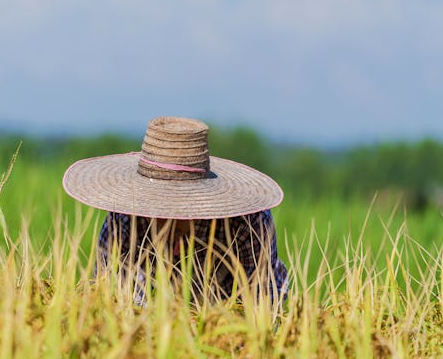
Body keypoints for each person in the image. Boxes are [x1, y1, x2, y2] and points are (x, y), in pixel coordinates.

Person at [62, 116, 288, 306]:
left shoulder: (248, 223)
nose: (165, 222)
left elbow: (261, 308)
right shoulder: (125, 218)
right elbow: (108, 299)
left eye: (176, 212)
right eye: (157, 210)